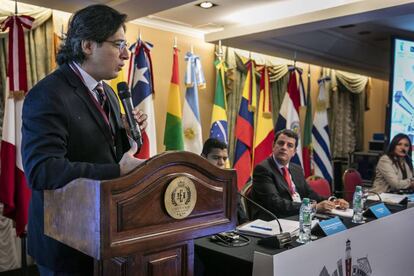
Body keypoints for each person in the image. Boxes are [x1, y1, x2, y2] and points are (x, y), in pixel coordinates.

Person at [21, 5, 147, 275]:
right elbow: (43, 171)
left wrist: (126, 134)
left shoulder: (109, 93)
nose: (126, 54)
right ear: (88, 45)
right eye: (119, 44)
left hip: (105, 235)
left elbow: (108, 153)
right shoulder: (48, 94)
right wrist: (116, 171)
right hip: (66, 242)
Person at [251, 129, 348, 220]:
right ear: (273, 146)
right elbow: (275, 203)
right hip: (276, 219)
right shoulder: (263, 169)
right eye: (281, 143)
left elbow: (309, 194)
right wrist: (313, 207)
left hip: (299, 215)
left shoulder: (296, 169)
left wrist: (333, 201)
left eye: (289, 145)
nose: (284, 147)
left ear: (294, 152)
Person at [201, 138, 249, 225]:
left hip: (232, 233)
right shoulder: (196, 182)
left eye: (224, 158)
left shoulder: (229, 182)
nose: (221, 163)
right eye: (216, 157)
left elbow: (242, 217)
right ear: (203, 157)